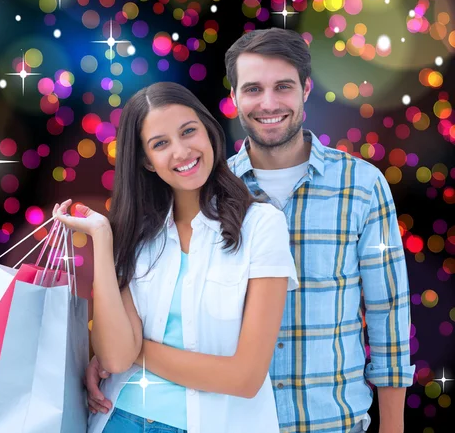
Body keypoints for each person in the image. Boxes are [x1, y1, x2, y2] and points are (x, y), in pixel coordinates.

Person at [85, 28, 415, 433]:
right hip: (234, 419)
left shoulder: (362, 186)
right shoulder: (201, 190)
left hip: (328, 418)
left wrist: (394, 427)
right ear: (235, 98)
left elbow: (388, 311)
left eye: (283, 87)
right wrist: (106, 357)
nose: (269, 103)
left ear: (306, 89)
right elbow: (168, 311)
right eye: (254, 89)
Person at [53, 81, 298, 433]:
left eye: (188, 132)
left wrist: (139, 351)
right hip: (119, 420)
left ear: (209, 131)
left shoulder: (262, 226)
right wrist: (104, 240)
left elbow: (244, 378)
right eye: (160, 144)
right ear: (147, 162)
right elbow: (114, 357)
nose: (182, 151)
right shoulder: (136, 234)